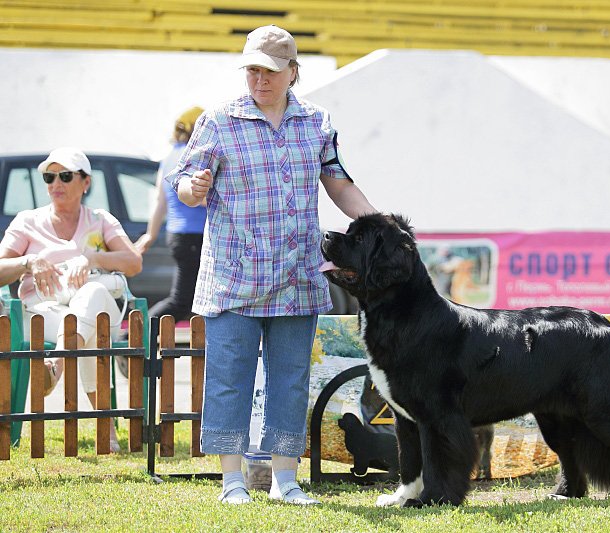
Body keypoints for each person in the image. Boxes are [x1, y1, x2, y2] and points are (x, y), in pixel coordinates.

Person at [166, 25, 377, 505]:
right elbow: (182, 182)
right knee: (228, 379)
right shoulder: (219, 121)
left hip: (297, 276)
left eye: (270, 71)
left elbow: (338, 182)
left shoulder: (317, 122)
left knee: (290, 378)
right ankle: (232, 481)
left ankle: (286, 481)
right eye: (252, 70)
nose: (259, 79)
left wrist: (377, 225)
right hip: (233, 277)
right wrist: (192, 190)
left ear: (293, 73)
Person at [0, 147, 143, 453]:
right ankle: (107, 430)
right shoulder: (27, 221)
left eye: (65, 176)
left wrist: (90, 256)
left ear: (85, 182)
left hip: (92, 307)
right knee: (87, 332)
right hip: (43, 313)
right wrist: (29, 262)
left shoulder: (100, 219)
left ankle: (56, 366)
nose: (56, 184)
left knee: (91, 294)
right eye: (49, 177)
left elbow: (133, 263)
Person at [135, 106, 206, 322]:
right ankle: (134, 337)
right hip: (194, 236)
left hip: (178, 236)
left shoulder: (168, 158)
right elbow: (202, 198)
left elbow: (159, 201)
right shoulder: (193, 157)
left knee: (195, 301)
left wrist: (150, 235)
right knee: (182, 301)